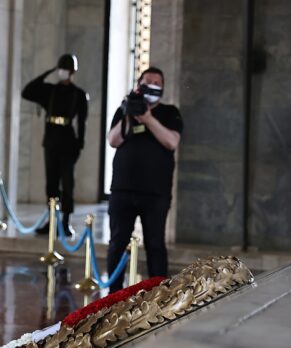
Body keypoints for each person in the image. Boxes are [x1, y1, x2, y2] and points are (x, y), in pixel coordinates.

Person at [106, 67, 183, 292]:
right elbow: (113, 140)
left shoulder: (170, 112)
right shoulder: (124, 109)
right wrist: (129, 112)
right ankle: (114, 293)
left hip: (155, 192)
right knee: (117, 242)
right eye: (147, 81)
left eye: (157, 82)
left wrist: (147, 118)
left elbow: (171, 142)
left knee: (155, 243)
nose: (152, 85)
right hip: (123, 189)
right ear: (138, 85)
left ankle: (159, 292)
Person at [21, 54, 88, 236]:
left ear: (73, 71)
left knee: (67, 184)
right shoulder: (49, 91)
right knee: (51, 183)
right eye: (61, 68)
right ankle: (52, 220)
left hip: (68, 141)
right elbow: (27, 91)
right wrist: (46, 73)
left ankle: (65, 223)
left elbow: (82, 123)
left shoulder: (79, 94)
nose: (63, 72)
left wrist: (79, 146)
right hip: (51, 140)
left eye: (66, 69)